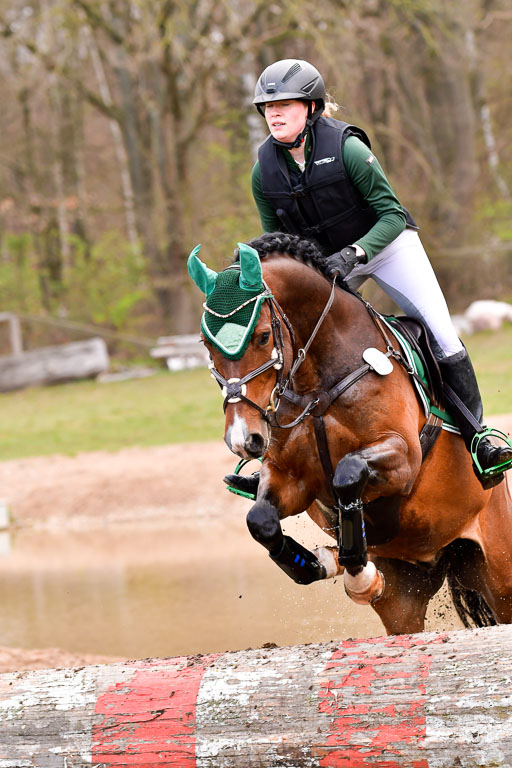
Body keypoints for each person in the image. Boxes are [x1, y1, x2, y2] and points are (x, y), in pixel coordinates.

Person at [226, 58, 512, 493]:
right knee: (290, 344)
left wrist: (357, 252)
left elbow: (392, 215)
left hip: (386, 248)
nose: (275, 114)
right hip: (326, 265)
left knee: (441, 332)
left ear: (312, 108)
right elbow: (277, 242)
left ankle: (479, 439)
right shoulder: (262, 171)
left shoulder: (348, 149)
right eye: (267, 107)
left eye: (285, 104)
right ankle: (274, 461)